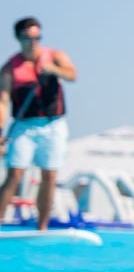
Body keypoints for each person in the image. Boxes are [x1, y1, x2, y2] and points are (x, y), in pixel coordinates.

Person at [0, 17, 78, 231]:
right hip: (25, 126)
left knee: (50, 175)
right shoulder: (10, 69)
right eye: (28, 38)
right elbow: (3, 101)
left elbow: (72, 74)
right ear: (18, 39)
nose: (33, 42)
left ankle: (41, 227)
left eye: (37, 37)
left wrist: (53, 69)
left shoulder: (55, 57)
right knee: (15, 174)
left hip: (54, 125)